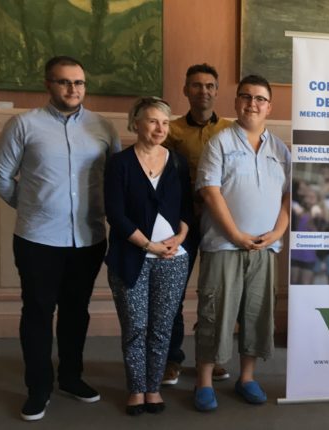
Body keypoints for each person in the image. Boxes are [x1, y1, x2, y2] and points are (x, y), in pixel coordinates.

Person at [0, 56, 120, 421]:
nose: (73, 89)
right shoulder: (23, 125)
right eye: (64, 82)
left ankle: (71, 377)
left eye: (79, 82)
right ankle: (38, 388)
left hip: (88, 238)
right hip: (38, 240)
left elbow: (116, 180)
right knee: (37, 312)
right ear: (48, 84)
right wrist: (32, 207)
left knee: (76, 312)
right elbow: (0, 177)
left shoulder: (103, 127)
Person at [192, 74, 290, 410]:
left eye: (260, 98)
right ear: (236, 102)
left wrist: (277, 233)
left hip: (265, 247)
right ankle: (204, 382)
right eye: (246, 97)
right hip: (224, 245)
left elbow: (290, 197)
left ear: (269, 107)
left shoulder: (280, 149)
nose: (253, 104)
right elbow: (210, 192)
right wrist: (235, 235)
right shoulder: (219, 143)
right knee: (214, 314)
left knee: (257, 314)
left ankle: (247, 378)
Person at [104, 97, 194, 416]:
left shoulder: (178, 162)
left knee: (161, 327)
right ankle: (136, 388)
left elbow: (187, 209)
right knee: (135, 327)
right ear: (136, 123)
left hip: (173, 259)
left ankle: (153, 387)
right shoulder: (120, 163)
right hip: (130, 257)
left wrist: (179, 238)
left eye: (165, 123)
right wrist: (149, 246)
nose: (160, 128)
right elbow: (115, 213)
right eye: (153, 121)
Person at [162, 63, 233, 386]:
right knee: (173, 292)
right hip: (182, 224)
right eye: (196, 85)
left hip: (221, 224)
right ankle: (171, 358)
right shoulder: (171, 131)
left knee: (215, 293)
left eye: (209, 85)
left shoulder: (231, 130)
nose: (203, 91)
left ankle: (210, 356)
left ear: (216, 91)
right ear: (185, 90)